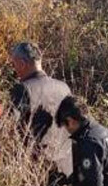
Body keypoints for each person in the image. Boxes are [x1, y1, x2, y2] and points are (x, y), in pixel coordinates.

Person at [8, 42, 72, 176]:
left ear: (22, 63)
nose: (14, 69)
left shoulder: (23, 89)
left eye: (14, 64)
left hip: (38, 171)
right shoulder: (64, 87)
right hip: (66, 166)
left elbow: (9, 128)